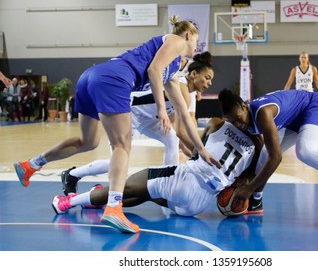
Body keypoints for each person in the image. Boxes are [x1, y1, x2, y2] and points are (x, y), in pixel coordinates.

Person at [13, 16, 221, 234]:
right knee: (122, 147)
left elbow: (184, 116)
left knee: (88, 141)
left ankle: (31, 165)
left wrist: (201, 149)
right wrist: (161, 108)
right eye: (195, 40)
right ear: (188, 35)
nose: (196, 46)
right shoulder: (176, 41)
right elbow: (153, 71)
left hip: (91, 76)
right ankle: (113, 209)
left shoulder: (172, 71)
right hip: (116, 80)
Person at [60, 52, 214, 196]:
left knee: (172, 139)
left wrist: (194, 151)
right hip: (128, 111)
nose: (209, 83)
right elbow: (182, 131)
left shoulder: (191, 95)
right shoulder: (178, 86)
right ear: (193, 74)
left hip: (148, 119)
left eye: (211, 80)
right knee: (119, 161)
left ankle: (169, 186)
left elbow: (188, 126)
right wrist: (199, 153)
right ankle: (72, 175)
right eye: (207, 78)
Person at [52, 118, 260, 220]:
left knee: (125, 187)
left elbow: (197, 150)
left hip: (184, 181)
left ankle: (67, 202)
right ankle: (97, 201)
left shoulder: (217, 123)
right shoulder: (256, 147)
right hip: (198, 205)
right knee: (147, 194)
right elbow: (242, 183)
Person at [218, 88, 318, 216]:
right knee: (265, 153)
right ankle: (256, 201)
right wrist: (246, 179)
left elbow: (276, 158)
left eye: (238, 119)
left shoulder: (263, 113)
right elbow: (261, 149)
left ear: (245, 106)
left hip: (314, 106)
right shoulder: (244, 119)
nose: (238, 125)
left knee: (305, 151)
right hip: (294, 118)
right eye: (233, 122)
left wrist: (250, 187)